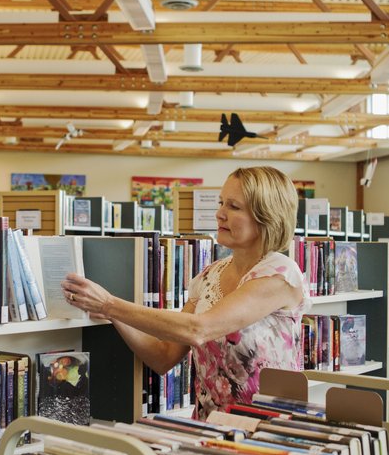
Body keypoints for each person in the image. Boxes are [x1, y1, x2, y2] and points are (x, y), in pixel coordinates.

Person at [62, 166, 311, 420]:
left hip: (267, 429)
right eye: (221, 203)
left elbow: (198, 329)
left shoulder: (280, 275)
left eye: (234, 207)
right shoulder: (209, 276)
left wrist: (109, 304)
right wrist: (112, 314)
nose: (219, 214)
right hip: (210, 427)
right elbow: (164, 356)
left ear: (266, 216)